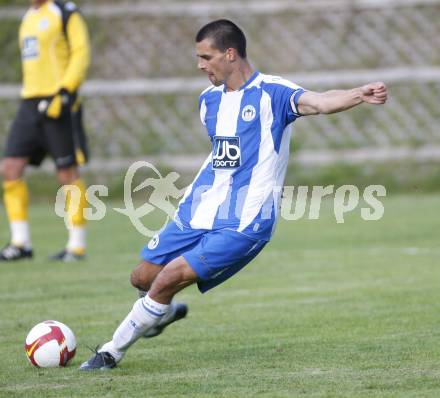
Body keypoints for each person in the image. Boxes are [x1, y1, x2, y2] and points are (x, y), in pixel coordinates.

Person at [80, 19, 387, 370]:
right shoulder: (208, 101)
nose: (200, 65)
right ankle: (157, 312)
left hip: (245, 220)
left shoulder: (273, 92)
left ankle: (109, 352)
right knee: (142, 278)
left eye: (205, 56)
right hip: (199, 210)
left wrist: (357, 94)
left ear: (230, 53)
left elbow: (319, 102)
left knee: (168, 278)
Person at [0, 0, 90, 262]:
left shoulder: (64, 13)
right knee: (10, 168)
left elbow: (81, 52)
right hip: (29, 102)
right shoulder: (28, 16)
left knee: (67, 174)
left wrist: (66, 90)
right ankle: (20, 243)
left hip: (58, 101)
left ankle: (76, 245)